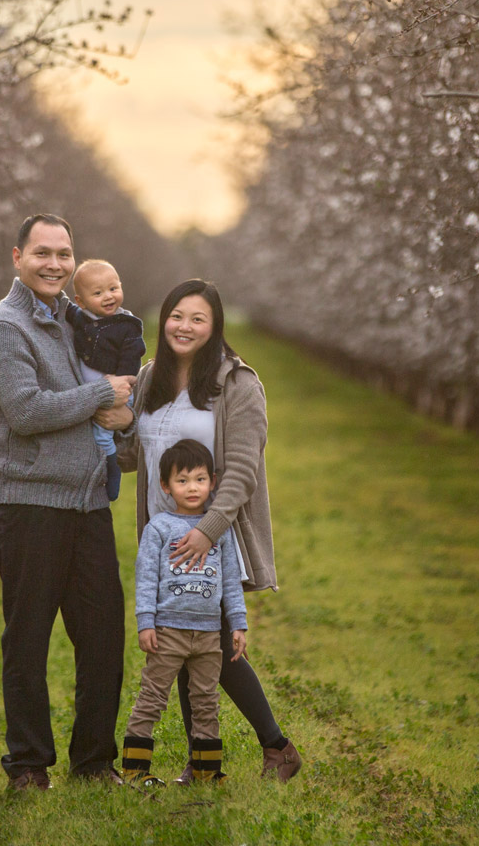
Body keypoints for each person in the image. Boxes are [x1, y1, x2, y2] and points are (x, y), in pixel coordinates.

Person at [116, 279, 303, 782]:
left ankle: (277, 747)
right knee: (183, 640)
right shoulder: (149, 377)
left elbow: (242, 470)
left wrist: (208, 532)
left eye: (198, 318)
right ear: (164, 320)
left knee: (209, 646)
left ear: (215, 326)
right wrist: (104, 417)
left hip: (212, 538)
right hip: (165, 536)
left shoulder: (237, 384)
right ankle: (204, 764)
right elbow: (134, 456)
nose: (185, 326)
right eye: (177, 316)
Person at [0, 213, 135, 791]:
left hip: (89, 505)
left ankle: (93, 762)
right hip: (31, 506)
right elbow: (26, 411)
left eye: (64, 254)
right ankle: (27, 764)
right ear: (16, 257)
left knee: (102, 638)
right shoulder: (3, 327)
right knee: (28, 637)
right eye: (42, 253)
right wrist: (101, 395)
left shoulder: (77, 321)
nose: (55, 264)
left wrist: (123, 418)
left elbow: (109, 398)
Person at [120, 439, 247, 785]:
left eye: (200, 479)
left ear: (213, 482)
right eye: (183, 480)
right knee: (152, 698)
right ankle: (135, 771)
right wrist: (146, 622)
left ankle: (207, 772)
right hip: (168, 633)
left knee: (206, 702)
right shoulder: (158, 529)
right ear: (165, 486)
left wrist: (238, 623)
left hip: (207, 634)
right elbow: (145, 578)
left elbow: (232, 580)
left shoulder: (218, 530)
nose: (192, 487)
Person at [61, 259, 146, 502]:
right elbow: (63, 306)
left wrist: (121, 382)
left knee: (102, 435)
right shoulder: (81, 317)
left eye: (113, 289)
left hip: (114, 388)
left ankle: (111, 475)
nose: (108, 296)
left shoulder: (127, 326)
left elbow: (132, 355)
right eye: (98, 293)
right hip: (88, 389)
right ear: (81, 301)